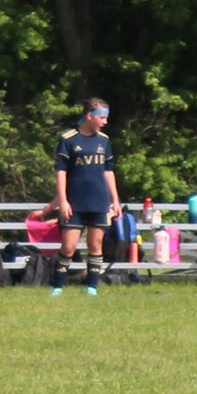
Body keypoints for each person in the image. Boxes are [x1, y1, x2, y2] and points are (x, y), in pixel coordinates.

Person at [50, 98, 122, 296]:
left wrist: (115, 200)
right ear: (89, 116)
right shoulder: (69, 139)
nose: (105, 121)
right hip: (75, 202)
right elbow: (61, 172)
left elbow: (108, 171)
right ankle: (57, 286)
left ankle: (91, 287)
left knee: (95, 245)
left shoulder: (104, 140)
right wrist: (63, 200)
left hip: (99, 201)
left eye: (106, 118)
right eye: (101, 117)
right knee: (69, 246)